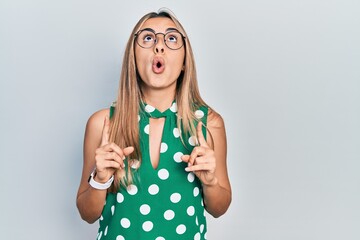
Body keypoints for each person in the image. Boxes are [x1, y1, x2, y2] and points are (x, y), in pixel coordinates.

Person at [76, 9, 231, 240]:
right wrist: (100, 179)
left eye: (171, 38)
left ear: (184, 63)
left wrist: (210, 182)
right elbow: (87, 213)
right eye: (148, 38)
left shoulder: (209, 124)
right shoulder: (102, 124)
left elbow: (219, 208)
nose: (159, 46)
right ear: (133, 58)